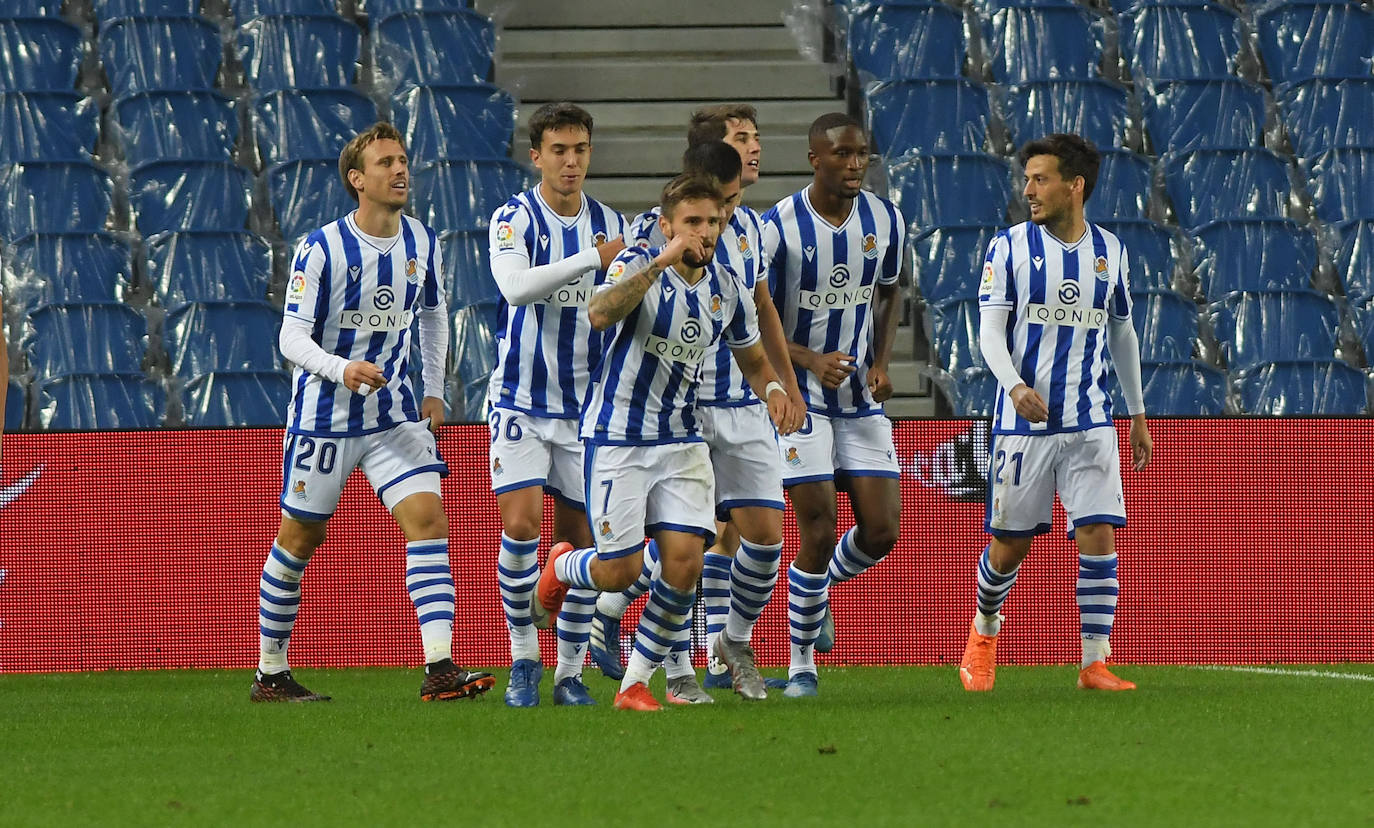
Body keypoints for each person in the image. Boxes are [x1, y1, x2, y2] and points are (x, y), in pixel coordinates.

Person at [534, 173, 796, 711]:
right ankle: (562, 565)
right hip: (617, 438)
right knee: (619, 572)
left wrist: (771, 389)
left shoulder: (727, 287)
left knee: (684, 563)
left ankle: (636, 683)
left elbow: (751, 357)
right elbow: (600, 313)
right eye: (692, 223)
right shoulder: (635, 262)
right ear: (666, 226)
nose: (704, 233)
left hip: (682, 440)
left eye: (713, 223)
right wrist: (658, 262)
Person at [252, 122, 493, 702]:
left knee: (429, 521)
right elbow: (290, 336)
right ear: (357, 180)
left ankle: (440, 668)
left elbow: (434, 316)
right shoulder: (321, 247)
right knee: (300, 539)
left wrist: (434, 388)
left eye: (404, 159)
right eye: (386, 162)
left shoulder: (423, 242)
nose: (400, 169)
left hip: (393, 417)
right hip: (324, 419)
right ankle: (271, 672)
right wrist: (341, 368)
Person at [958, 133, 1152, 693]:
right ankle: (984, 631)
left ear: (1076, 186)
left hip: (1091, 420)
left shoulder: (1111, 252)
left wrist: (1136, 414)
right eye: (1027, 179)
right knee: (1010, 544)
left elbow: (1121, 333)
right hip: (1024, 424)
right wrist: (1015, 387)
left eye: (1040, 179)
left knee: (1098, 533)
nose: (1029, 190)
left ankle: (1094, 661)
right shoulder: (1009, 248)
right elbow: (990, 333)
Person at [486, 102, 627, 707]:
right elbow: (515, 288)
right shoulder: (512, 220)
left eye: (580, 150)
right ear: (536, 155)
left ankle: (568, 673)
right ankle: (523, 657)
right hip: (519, 400)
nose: (571, 162)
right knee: (520, 528)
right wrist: (594, 260)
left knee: (576, 547)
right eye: (559, 151)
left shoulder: (610, 222)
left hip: (586, 410)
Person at [760, 112, 906, 698]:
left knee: (882, 531)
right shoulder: (780, 227)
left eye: (862, 155)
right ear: (814, 158)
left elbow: (892, 289)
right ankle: (800, 666)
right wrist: (807, 360)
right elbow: (756, 318)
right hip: (801, 398)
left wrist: (882, 360)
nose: (854, 165)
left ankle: (814, 596)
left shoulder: (885, 218)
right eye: (842, 155)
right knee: (817, 530)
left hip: (858, 398)